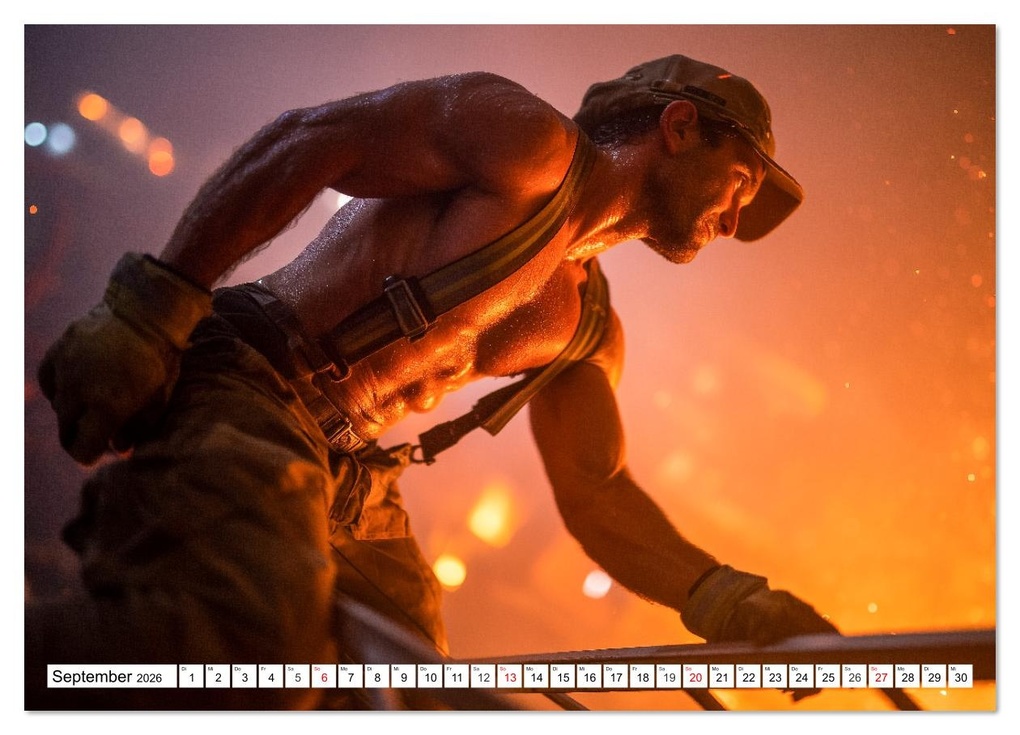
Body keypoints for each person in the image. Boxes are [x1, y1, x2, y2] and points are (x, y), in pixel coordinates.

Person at [28, 54, 837, 710]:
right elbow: (311, 140)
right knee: (251, 632)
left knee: (419, 695)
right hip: (252, 372)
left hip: (346, 466)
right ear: (682, 125)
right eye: (742, 184)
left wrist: (729, 599)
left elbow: (599, 494)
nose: (735, 222)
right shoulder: (526, 144)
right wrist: (150, 309)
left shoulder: (585, 324)